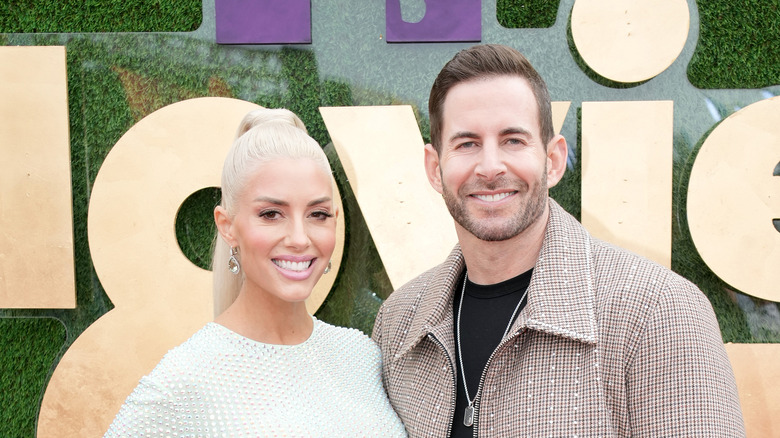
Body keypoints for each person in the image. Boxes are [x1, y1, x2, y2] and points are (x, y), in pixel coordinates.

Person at [372, 44, 745, 437]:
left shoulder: (659, 313)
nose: (490, 166)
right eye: (467, 144)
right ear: (435, 168)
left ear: (552, 160)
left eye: (513, 140)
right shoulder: (399, 323)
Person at [105, 108, 407, 437]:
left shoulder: (360, 356)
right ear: (227, 226)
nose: (299, 238)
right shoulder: (184, 382)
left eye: (317, 214)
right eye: (271, 213)